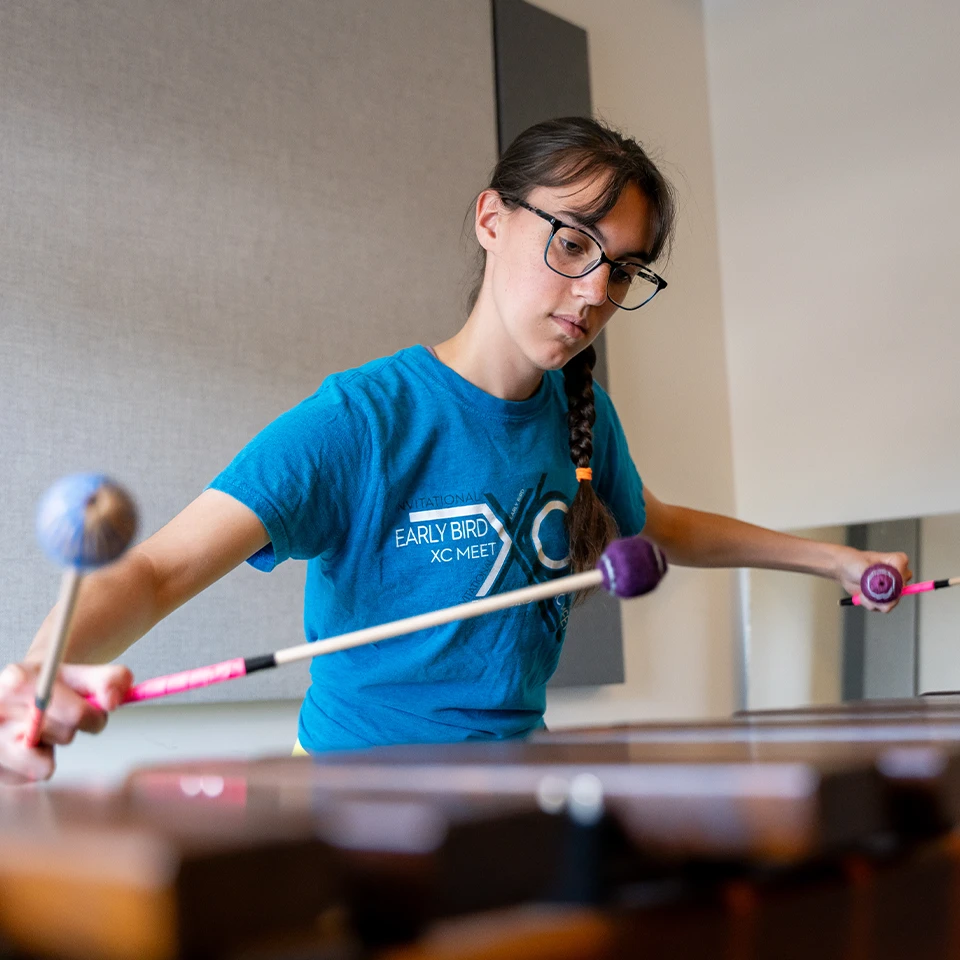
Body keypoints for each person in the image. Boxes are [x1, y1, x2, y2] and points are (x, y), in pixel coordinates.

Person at [0, 117, 910, 783]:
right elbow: (158, 571)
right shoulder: (362, 419)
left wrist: (831, 558)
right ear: (491, 220)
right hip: (355, 795)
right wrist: (40, 676)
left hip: (520, 785)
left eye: (624, 267)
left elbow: (661, 522)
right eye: (571, 242)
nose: (595, 290)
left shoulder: (582, 411)